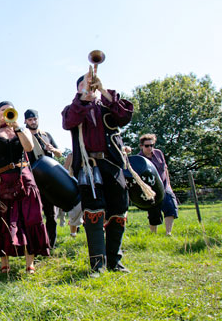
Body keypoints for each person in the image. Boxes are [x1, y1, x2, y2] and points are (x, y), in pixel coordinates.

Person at [62, 69, 134, 276]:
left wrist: (103, 90)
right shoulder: (72, 109)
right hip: (88, 166)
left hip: (111, 164)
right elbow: (69, 122)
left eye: (91, 84)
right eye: (84, 85)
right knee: (93, 212)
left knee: (119, 210)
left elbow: (124, 116)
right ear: (78, 89)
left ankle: (115, 262)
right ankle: (98, 265)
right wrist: (84, 98)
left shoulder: (108, 106)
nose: (89, 87)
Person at [0, 102, 50, 274]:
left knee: (29, 217)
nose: (6, 113)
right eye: (2, 111)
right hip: (2, 179)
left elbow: (28, 147)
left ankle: (30, 263)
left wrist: (17, 128)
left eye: (8, 110)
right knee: (2, 220)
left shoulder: (21, 130)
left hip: (23, 176)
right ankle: (4, 263)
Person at [24, 109, 64, 248]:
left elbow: (59, 154)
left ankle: (50, 244)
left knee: (51, 214)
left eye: (35, 119)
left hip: (48, 179)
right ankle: (36, 244)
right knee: (35, 215)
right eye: (30, 120)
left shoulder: (46, 135)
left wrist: (52, 149)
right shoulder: (24, 137)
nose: (33, 121)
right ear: (25, 121)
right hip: (33, 180)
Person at [139, 134, 179, 236]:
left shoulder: (159, 153)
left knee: (170, 206)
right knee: (154, 213)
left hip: (164, 186)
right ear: (141, 146)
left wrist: (169, 185)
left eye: (152, 145)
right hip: (151, 190)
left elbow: (165, 169)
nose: (150, 148)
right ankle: (153, 235)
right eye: (147, 146)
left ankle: (168, 233)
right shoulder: (138, 159)